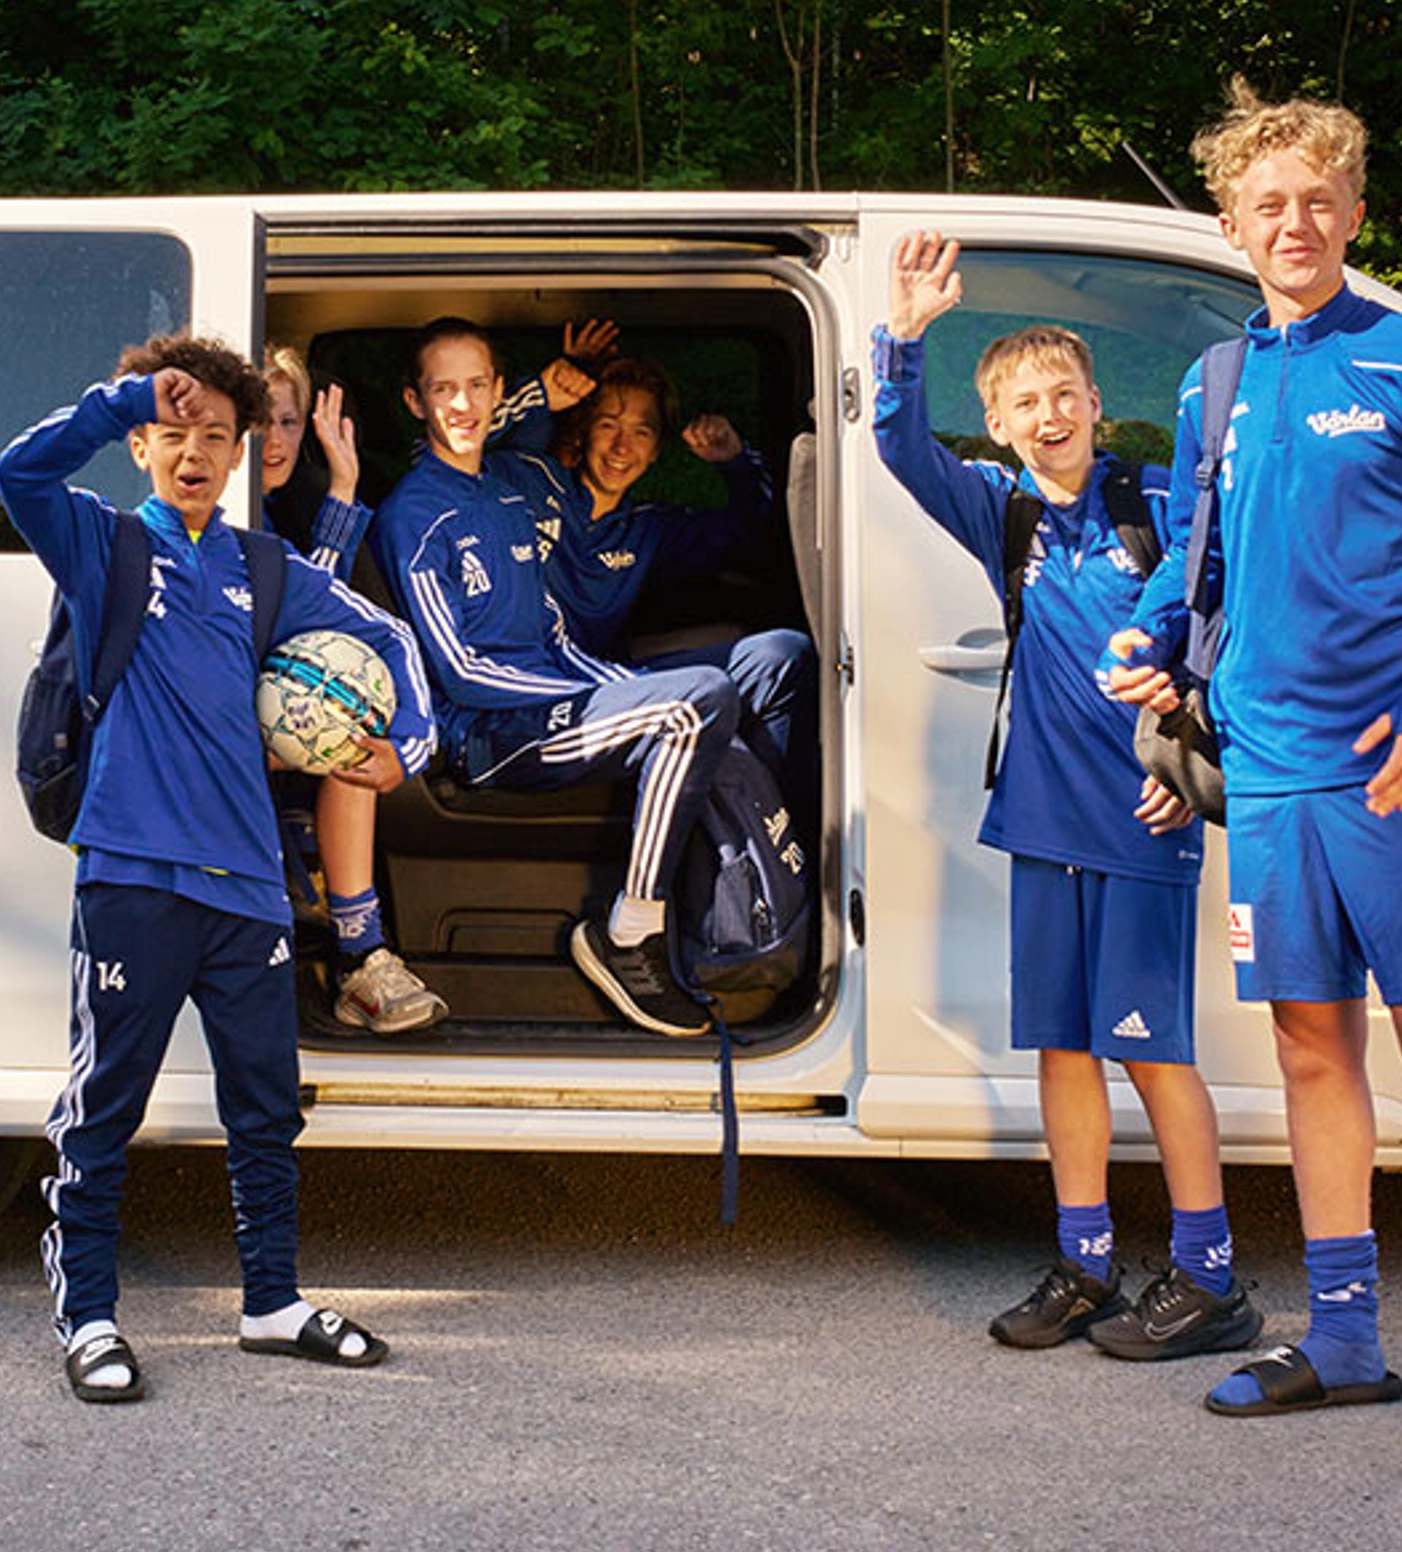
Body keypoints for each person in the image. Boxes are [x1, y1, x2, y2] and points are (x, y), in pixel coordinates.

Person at [1104, 86, 1402, 1463]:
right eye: (1268, 205)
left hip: (1393, 777)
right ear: (1233, 226)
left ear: (1356, 213)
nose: (1294, 223)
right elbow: (1196, 559)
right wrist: (1149, 640)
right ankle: (1347, 1340)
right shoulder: (1215, 383)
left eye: (1318, 200)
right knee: (1311, 1047)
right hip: (1269, 776)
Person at [0, 334, 431, 1403]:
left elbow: (390, 639)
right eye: (173, 433)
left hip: (247, 887)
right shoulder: (103, 546)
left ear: (242, 454)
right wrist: (121, 397)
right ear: (142, 446)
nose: (194, 453)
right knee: (105, 1107)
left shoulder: (265, 568)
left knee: (265, 1108)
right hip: (133, 876)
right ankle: (89, 1318)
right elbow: (20, 473)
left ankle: (271, 1302)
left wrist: (403, 748)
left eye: (216, 437)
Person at [871, 233, 1254, 1360]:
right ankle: (1086, 1263)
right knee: (1063, 1049)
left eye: (1063, 395)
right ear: (996, 426)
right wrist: (906, 338)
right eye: (1024, 403)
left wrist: (1196, 757)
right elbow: (898, 448)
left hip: (1142, 819)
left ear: (1096, 403)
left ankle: (1210, 1276)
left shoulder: (1155, 505)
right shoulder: (1003, 513)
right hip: (1042, 820)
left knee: (1152, 1050)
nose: (1048, 415)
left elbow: (1227, 622)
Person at [373, 315, 743, 1039]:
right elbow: (461, 673)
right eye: (443, 389)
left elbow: (551, 635)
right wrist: (604, 696)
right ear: (416, 401)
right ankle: (629, 935)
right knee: (694, 704)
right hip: (486, 734)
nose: (462, 404)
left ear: (496, 390)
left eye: (476, 386)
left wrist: (619, 684)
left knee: (713, 686)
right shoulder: (412, 515)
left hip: (541, 709)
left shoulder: (508, 494)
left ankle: (740, 918)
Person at [255, 347, 447, 1034]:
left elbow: (322, 606)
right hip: (204, 738)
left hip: (258, 719)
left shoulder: (274, 514)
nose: (273, 440)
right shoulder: (219, 522)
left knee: (345, 725)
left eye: (287, 421)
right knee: (322, 712)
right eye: (256, 422)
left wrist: (341, 487)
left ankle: (360, 955)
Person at [528, 354, 812, 785]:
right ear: (584, 432)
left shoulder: (650, 527)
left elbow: (753, 533)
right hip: (551, 699)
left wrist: (734, 463)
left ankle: (772, 814)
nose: (622, 447)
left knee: (782, 653)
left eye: (641, 432)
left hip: (617, 682)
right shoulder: (531, 494)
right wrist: (542, 393)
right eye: (608, 426)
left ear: (656, 450)